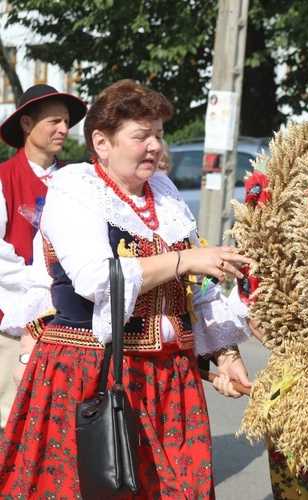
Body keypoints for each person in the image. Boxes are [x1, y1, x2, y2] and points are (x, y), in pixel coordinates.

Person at [0, 79, 255, 497]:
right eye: (141, 135)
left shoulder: (165, 194)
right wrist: (185, 259)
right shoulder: (76, 189)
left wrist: (225, 354)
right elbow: (96, 277)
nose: (155, 145)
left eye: (158, 134)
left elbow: (196, 290)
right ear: (101, 142)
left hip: (171, 380)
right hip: (93, 377)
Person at [0, 84, 87, 431]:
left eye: (66, 121)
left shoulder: (77, 178)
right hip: (13, 315)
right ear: (26, 124)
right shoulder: (4, 178)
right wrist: (47, 284)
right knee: (10, 416)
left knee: (58, 419)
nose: (64, 130)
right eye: (54, 121)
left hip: (68, 322)